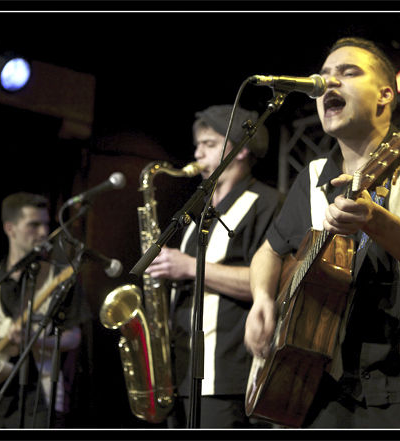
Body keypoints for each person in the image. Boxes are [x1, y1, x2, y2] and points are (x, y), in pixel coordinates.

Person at [244, 37, 400, 428]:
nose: (328, 84)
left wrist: (374, 218)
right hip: (328, 391)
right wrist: (262, 300)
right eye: (322, 77)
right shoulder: (312, 178)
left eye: (347, 73)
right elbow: (268, 253)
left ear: (385, 95)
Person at [145, 105, 283, 428]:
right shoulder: (200, 212)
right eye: (198, 145)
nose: (197, 152)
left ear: (240, 149)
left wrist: (188, 266)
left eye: (208, 144)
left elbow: (270, 281)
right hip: (179, 373)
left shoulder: (267, 202)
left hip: (227, 375)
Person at [0, 192, 91, 428]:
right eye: (33, 225)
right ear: (10, 228)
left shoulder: (60, 277)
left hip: (38, 401)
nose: (43, 232)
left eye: (46, 224)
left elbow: (74, 336)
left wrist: (34, 339)